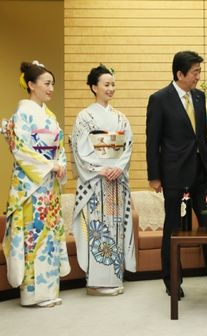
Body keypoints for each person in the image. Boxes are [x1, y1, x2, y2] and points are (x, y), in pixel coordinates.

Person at [146, 50, 207, 297]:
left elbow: (200, 138)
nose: (199, 76)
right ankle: (173, 282)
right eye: (195, 72)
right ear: (180, 73)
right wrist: (154, 176)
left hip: (202, 174)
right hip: (174, 174)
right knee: (173, 229)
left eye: (199, 71)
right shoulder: (159, 99)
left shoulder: (198, 97)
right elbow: (152, 140)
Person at [0, 61, 70, 307]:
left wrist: (59, 163)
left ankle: (49, 292)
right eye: (47, 84)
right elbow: (20, 149)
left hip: (48, 185)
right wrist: (49, 165)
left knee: (49, 236)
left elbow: (59, 147)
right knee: (33, 234)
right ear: (31, 85)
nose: (51, 88)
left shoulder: (49, 116)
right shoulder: (23, 113)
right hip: (31, 187)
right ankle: (32, 294)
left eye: (53, 84)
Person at [71, 64, 136, 296]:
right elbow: (80, 150)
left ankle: (114, 278)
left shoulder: (120, 118)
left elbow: (127, 146)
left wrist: (117, 167)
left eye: (113, 84)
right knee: (98, 229)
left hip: (115, 181)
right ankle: (97, 282)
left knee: (115, 228)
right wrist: (101, 169)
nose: (111, 88)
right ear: (93, 87)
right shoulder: (84, 117)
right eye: (106, 84)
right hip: (96, 182)